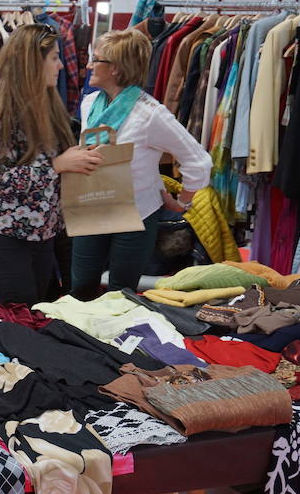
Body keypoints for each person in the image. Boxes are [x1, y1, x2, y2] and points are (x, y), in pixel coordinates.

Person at [0, 24, 103, 306]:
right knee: (22, 315)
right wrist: (57, 165)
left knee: (39, 312)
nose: (61, 66)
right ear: (31, 63)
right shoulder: (2, 112)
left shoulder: (47, 106)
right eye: (54, 58)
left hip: (42, 233)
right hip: (5, 234)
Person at [70, 29, 212, 300]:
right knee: (81, 287)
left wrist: (183, 202)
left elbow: (198, 161)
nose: (88, 66)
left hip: (135, 215)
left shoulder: (150, 114)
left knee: (121, 294)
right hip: (92, 205)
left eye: (95, 59)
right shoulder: (90, 104)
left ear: (115, 68)